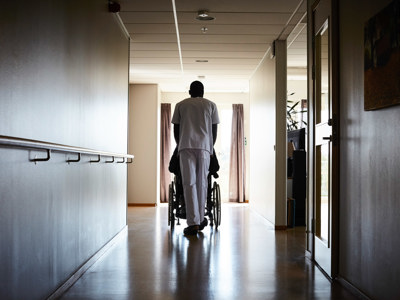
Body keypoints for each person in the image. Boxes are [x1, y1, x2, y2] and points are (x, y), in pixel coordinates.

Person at [171, 81, 219, 235]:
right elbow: (214, 130)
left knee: (189, 183)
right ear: (203, 91)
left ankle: (193, 222)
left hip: (185, 146)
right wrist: (210, 148)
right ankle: (199, 219)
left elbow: (176, 129)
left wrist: (180, 145)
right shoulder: (211, 105)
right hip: (204, 147)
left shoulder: (180, 105)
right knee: (202, 183)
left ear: (189, 91)